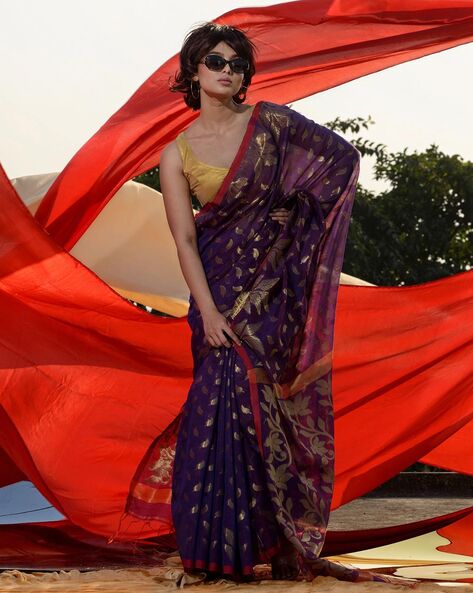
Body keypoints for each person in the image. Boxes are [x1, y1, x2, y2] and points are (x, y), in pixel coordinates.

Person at [155, 21, 420, 588]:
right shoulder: (174, 154)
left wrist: (290, 224)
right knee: (217, 408)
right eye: (215, 61)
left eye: (236, 63)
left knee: (266, 408)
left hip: (271, 291)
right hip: (217, 291)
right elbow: (183, 239)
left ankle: (280, 545)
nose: (228, 70)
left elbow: (340, 164)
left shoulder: (270, 124)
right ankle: (212, 556)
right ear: (193, 72)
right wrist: (209, 312)